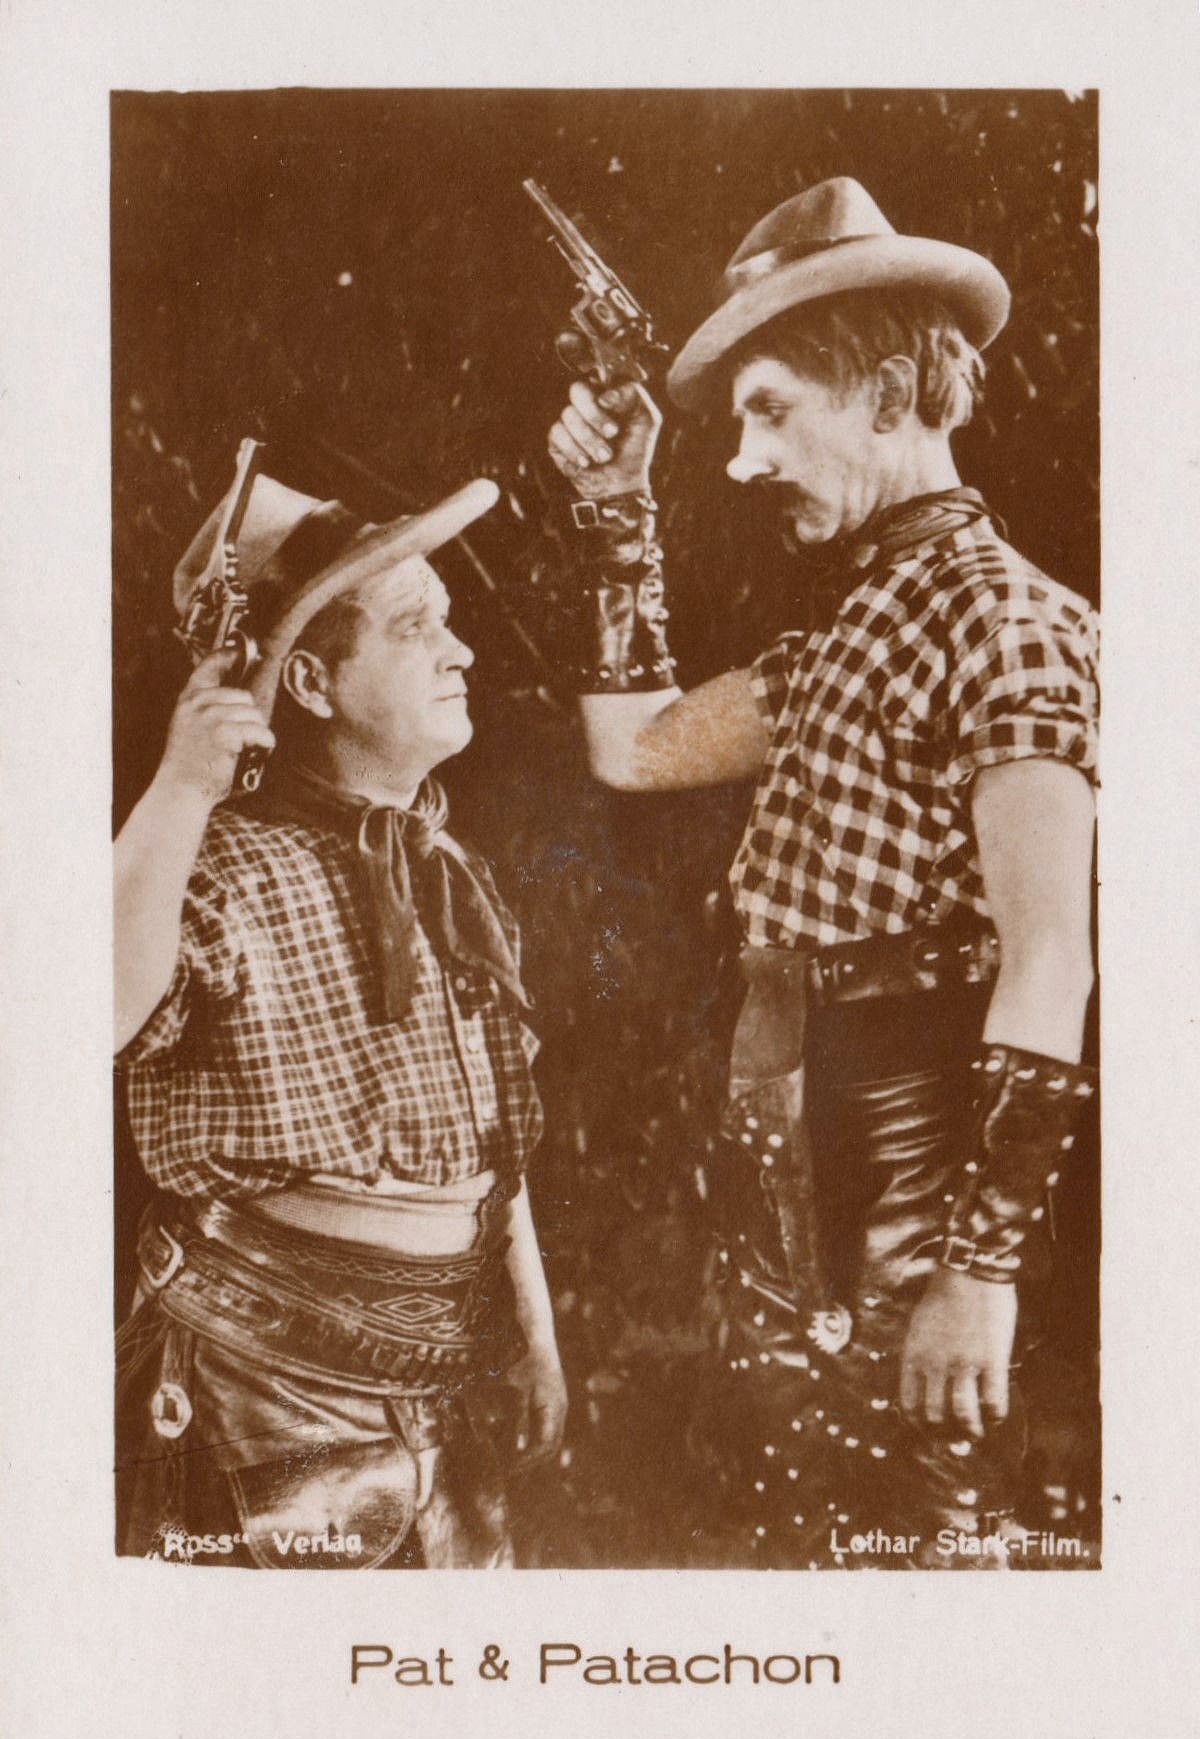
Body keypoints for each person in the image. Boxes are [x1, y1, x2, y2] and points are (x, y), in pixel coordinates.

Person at [545, 177, 1098, 1566]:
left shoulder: (1012, 624)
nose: (743, 461)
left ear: (894, 393)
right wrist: (614, 507)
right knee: (808, 1541)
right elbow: (633, 749)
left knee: (927, 1555)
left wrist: (980, 1269)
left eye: (771, 410)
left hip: (914, 1201)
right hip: (790, 1186)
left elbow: (1050, 957)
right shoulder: (852, 632)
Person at [114, 455, 566, 1568]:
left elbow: (493, 1140)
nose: (461, 651)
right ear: (312, 683)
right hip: (253, 1396)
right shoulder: (213, 866)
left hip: (440, 1387)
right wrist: (181, 785)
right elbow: (73, 1015)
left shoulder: (450, 872)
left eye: (447, 620)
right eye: (415, 627)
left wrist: (534, 1326)